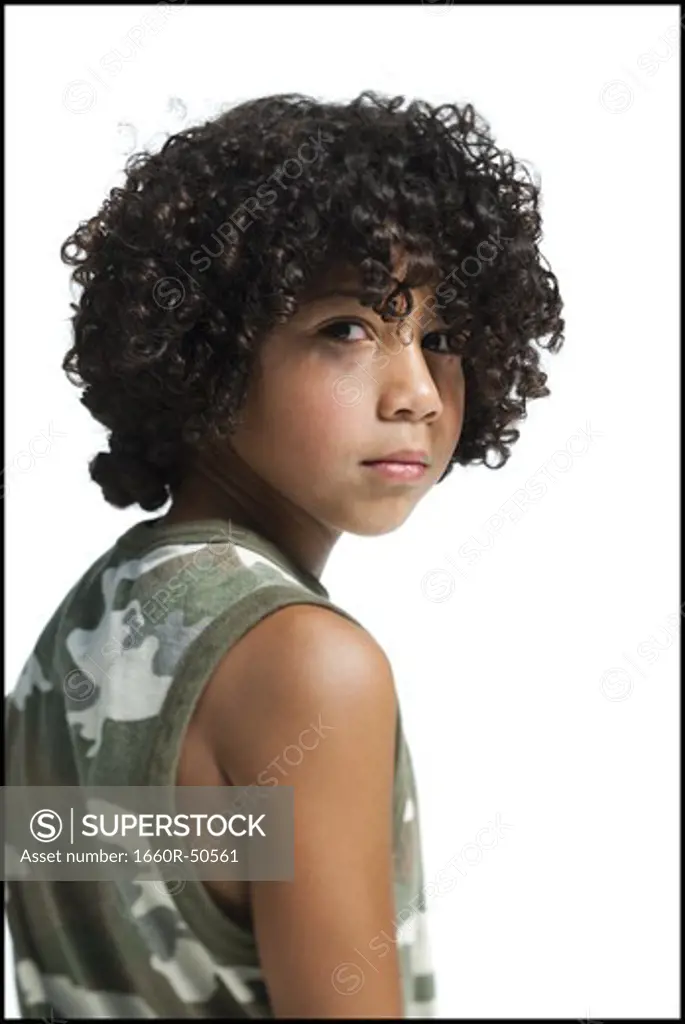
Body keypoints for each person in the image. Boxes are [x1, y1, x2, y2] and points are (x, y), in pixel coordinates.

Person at [4, 89, 565, 1018]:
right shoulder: (309, 669)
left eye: (440, 338)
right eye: (347, 328)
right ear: (205, 350)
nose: (417, 393)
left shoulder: (75, 636)